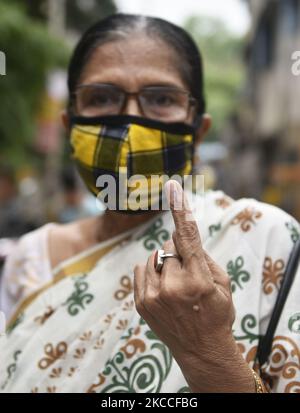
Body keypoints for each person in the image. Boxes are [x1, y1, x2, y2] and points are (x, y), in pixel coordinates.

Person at [0, 14, 299, 393]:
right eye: (102, 97)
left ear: (197, 130)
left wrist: (208, 352)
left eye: (160, 99)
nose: (130, 123)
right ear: (69, 125)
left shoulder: (267, 239)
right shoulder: (29, 261)